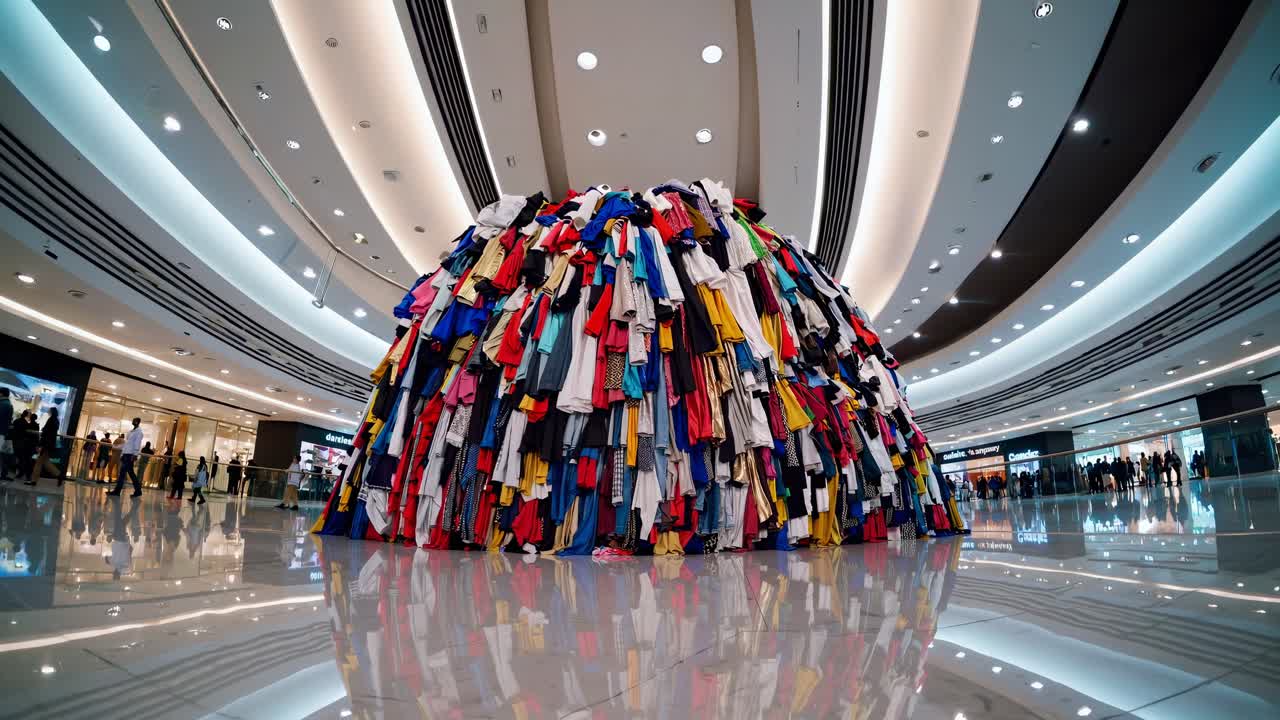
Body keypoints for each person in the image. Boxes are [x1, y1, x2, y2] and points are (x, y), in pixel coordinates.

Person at [109, 417, 145, 497]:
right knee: (130, 473)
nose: (133, 421)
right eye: (133, 420)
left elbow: (137, 444)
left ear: (138, 422)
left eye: (135, 420)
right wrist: (122, 454)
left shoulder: (139, 432)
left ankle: (117, 491)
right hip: (126, 454)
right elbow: (127, 444)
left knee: (123, 473)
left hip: (130, 455)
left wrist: (135, 454)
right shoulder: (131, 432)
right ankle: (138, 490)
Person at [25, 406, 61, 486]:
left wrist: (40, 444)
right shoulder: (56, 421)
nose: (48, 411)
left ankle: (34, 480)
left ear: (51, 411)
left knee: (39, 462)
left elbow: (46, 432)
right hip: (49, 445)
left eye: (49, 410)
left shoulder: (51, 420)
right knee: (44, 462)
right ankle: (58, 475)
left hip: (46, 444)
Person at [0, 388, 12, 481]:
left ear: (1, 394)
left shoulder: (3, 404)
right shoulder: (8, 404)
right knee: (4, 455)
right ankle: (3, 474)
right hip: (3, 433)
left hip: (1, 433)